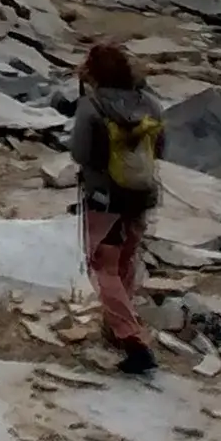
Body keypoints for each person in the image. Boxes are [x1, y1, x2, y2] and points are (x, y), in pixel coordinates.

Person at [69, 37, 164, 371]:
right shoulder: (150, 104)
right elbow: (162, 148)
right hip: (142, 194)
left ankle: (132, 340)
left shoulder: (92, 106)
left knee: (103, 267)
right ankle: (118, 325)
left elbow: (81, 153)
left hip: (104, 198)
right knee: (125, 261)